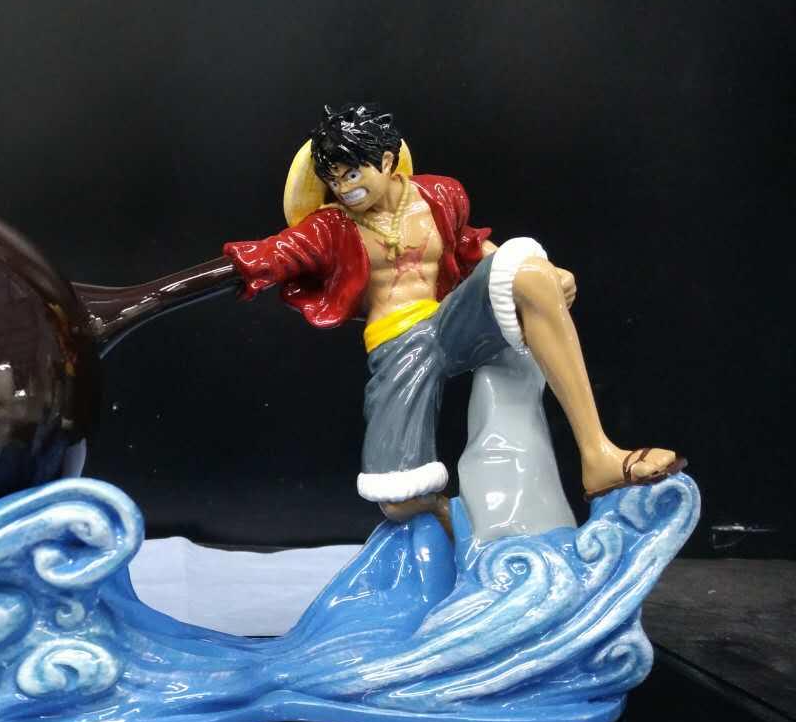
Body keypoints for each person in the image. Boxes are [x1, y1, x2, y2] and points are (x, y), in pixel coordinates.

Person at [223, 103, 683, 525]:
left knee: (527, 269)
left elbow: (470, 249)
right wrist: (192, 282)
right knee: (398, 497)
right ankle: (461, 536)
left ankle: (598, 455)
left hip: (452, 324)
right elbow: (270, 255)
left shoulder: (439, 195)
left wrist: (542, 274)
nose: (345, 188)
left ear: (386, 160)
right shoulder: (330, 225)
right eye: (334, 179)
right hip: (397, 347)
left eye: (352, 173)